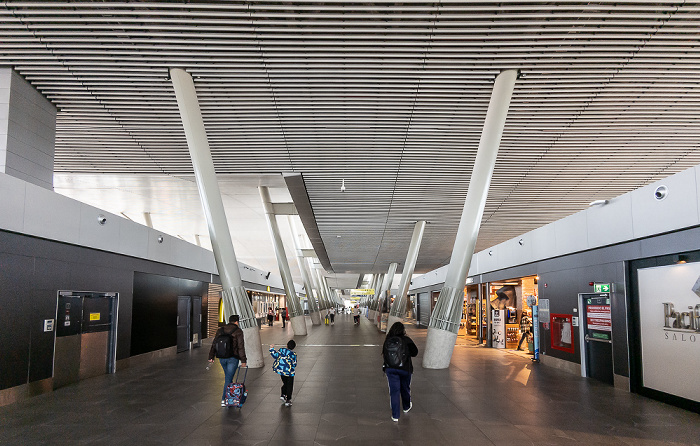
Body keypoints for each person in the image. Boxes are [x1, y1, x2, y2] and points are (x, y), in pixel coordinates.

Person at [382, 322, 418, 422]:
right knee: (405, 388)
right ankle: (406, 407)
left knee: (394, 392)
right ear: (402, 330)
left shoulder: (388, 340)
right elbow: (415, 352)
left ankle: (395, 415)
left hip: (390, 369)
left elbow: (385, 354)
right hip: (405, 369)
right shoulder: (406, 340)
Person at [208, 315, 247, 407]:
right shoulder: (238, 331)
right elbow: (240, 346)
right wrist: (243, 360)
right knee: (228, 379)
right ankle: (224, 399)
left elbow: (214, 344)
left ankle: (230, 396)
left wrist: (211, 356)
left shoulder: (220, 330)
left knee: (228, 377)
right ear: (237, 322)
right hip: (233, 358)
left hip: (222, 358)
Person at [270, 340, 297, 407]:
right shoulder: (293, 354)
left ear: (286, 345)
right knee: (289, 385)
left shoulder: (281, 350)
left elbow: (275, 355)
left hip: (281, 371)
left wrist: (271, 348)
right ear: (293, 347)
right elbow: (294, 364)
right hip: (290, 373)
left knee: (285, 383)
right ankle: (288, 400)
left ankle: (283, 394)